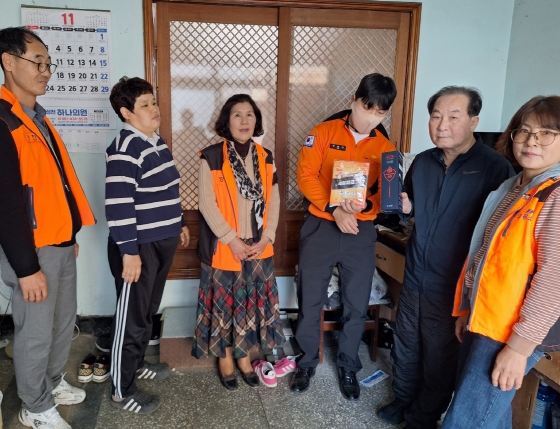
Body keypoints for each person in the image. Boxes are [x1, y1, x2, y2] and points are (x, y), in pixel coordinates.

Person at [0, 27, 95, 429]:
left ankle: (51, 383)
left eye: (48, 63)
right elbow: (4, 207)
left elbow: (54, 185)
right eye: (37, 62)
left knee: (62, 325)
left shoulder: (37, 119)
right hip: (33, 252)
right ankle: (35, 406)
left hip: (59, 244)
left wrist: (69, 234)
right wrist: (26, 268)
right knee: (35, 333)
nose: (45, 71)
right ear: (9, 61)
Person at [377, 87, 514, 428]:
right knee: (406, 346)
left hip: (452, 286)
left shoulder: (495, 168)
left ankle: (422, 417)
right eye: (436, 116)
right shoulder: (423, 162)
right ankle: (403, 401)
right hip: (415, 276)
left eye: (453, 116)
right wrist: (405, 207)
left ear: (473, 121)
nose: (442, 125)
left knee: (439, 358)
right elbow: (411, 210)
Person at [442, 96, 560, 428]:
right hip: (486, 318)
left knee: (466, 421)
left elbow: (553, 279)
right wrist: (467, 309)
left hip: (511, 330)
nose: (531, 141)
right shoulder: (515, 186)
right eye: (524, 131)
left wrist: (519, 348)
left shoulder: (555, 194)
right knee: (488, 416)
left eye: (547, 133)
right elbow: (485, 255)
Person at [291, 73, 397, 399]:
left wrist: (368, 206)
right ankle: (306, 361)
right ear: (353, 100)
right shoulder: (323, 132)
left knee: (356, 301)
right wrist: (334, 209)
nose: (371, 118)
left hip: (360, 231)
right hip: (321, 225)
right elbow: (306, 176)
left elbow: (387, 197)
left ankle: (349, 365)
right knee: (310, 298)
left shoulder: (386, 148)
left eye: (380, 113)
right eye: (366, 108)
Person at [106, 77, 189, 414]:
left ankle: (137, 365)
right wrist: (129, 252)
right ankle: (121, 390)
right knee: (132, 319)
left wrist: (180, 222)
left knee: (146, 312)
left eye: (153, 102)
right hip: (138, 249)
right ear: (126, 113)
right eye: (144, 105)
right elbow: (118, 205)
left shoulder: (155, 141)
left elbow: (169, 188)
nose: (154, 109)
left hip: (160, 242)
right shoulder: (125, 149)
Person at [192, 93, 284, 391]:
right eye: (237, 115)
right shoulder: (212, 156)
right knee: (225, 308)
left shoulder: (265, 157)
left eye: (250, 115)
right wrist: (231, 239)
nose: (244, 121)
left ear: (256, 121)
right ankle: (226, 358)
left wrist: (267, 237)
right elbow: (206, 204)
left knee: (248, 306)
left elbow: (274, 201)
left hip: (258, 247)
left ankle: (245, 357)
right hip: (225, 247)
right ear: (226, 122)